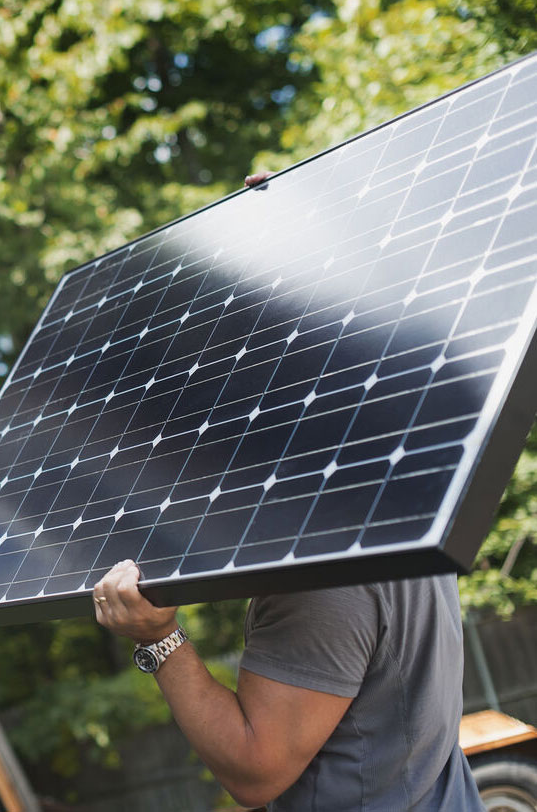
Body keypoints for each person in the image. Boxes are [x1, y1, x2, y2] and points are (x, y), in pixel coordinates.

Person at [91, 173, 484, 811]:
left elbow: (256, 769)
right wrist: (287, 222)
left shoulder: (322, 569)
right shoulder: (401, 498)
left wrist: (157, 639)